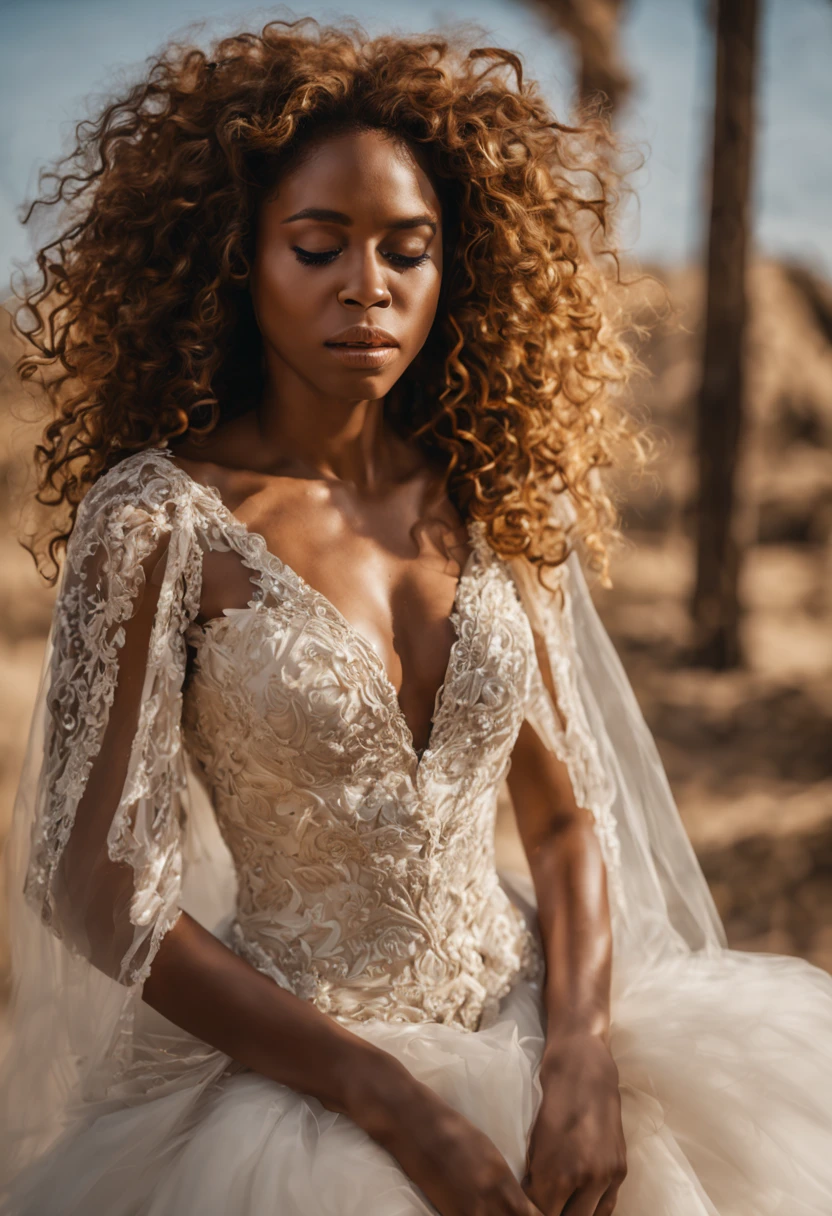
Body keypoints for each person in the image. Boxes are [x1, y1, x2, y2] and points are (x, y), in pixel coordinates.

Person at [2, 18, 832, 1216]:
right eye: (317, 245)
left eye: (408, 249)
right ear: (240, 258)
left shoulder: (493, 494)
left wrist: (584, 1050)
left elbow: (562, 819)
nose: (368, 287)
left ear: (456, 266)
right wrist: (382, 1094)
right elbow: (93, 884)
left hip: (535, 1028)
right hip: (292, 1096)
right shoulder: (159, 520)